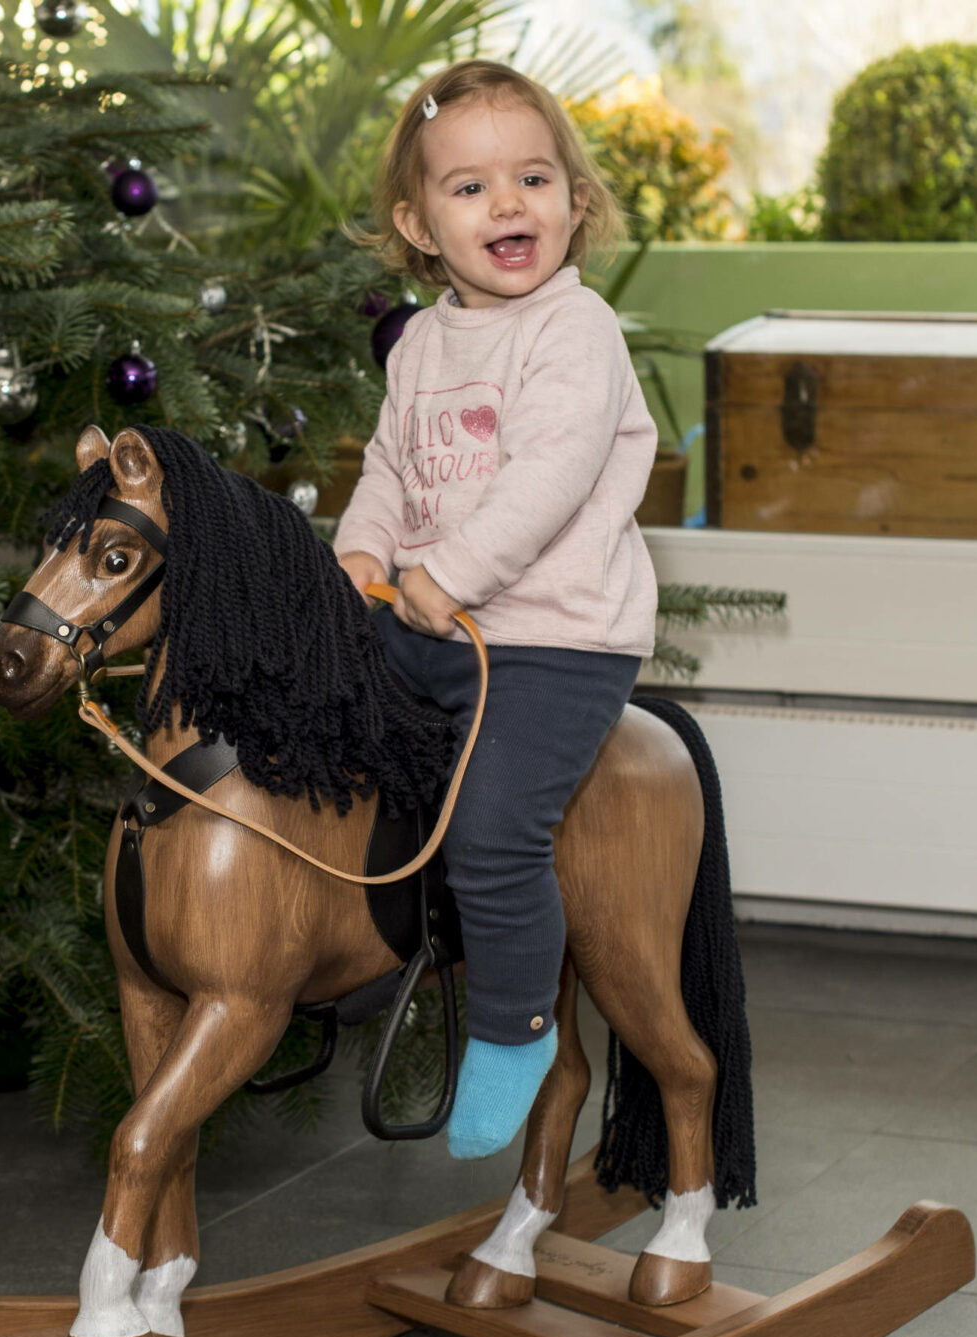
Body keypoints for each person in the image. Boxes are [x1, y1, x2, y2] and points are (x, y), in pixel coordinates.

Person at [335, 60, 660, 1160]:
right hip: (425, 622)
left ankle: (516, 1030)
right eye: (467, 188)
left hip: (548, 641)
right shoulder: (422, 341)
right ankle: (336, 951)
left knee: (490, 833)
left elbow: (548, 476)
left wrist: (448, 572)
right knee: (301, 744)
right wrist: (363, 550)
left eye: (531, 178)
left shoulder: (574, 334)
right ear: (416, 224)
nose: (506, 205)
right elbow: (389, 463)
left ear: (577, 201)